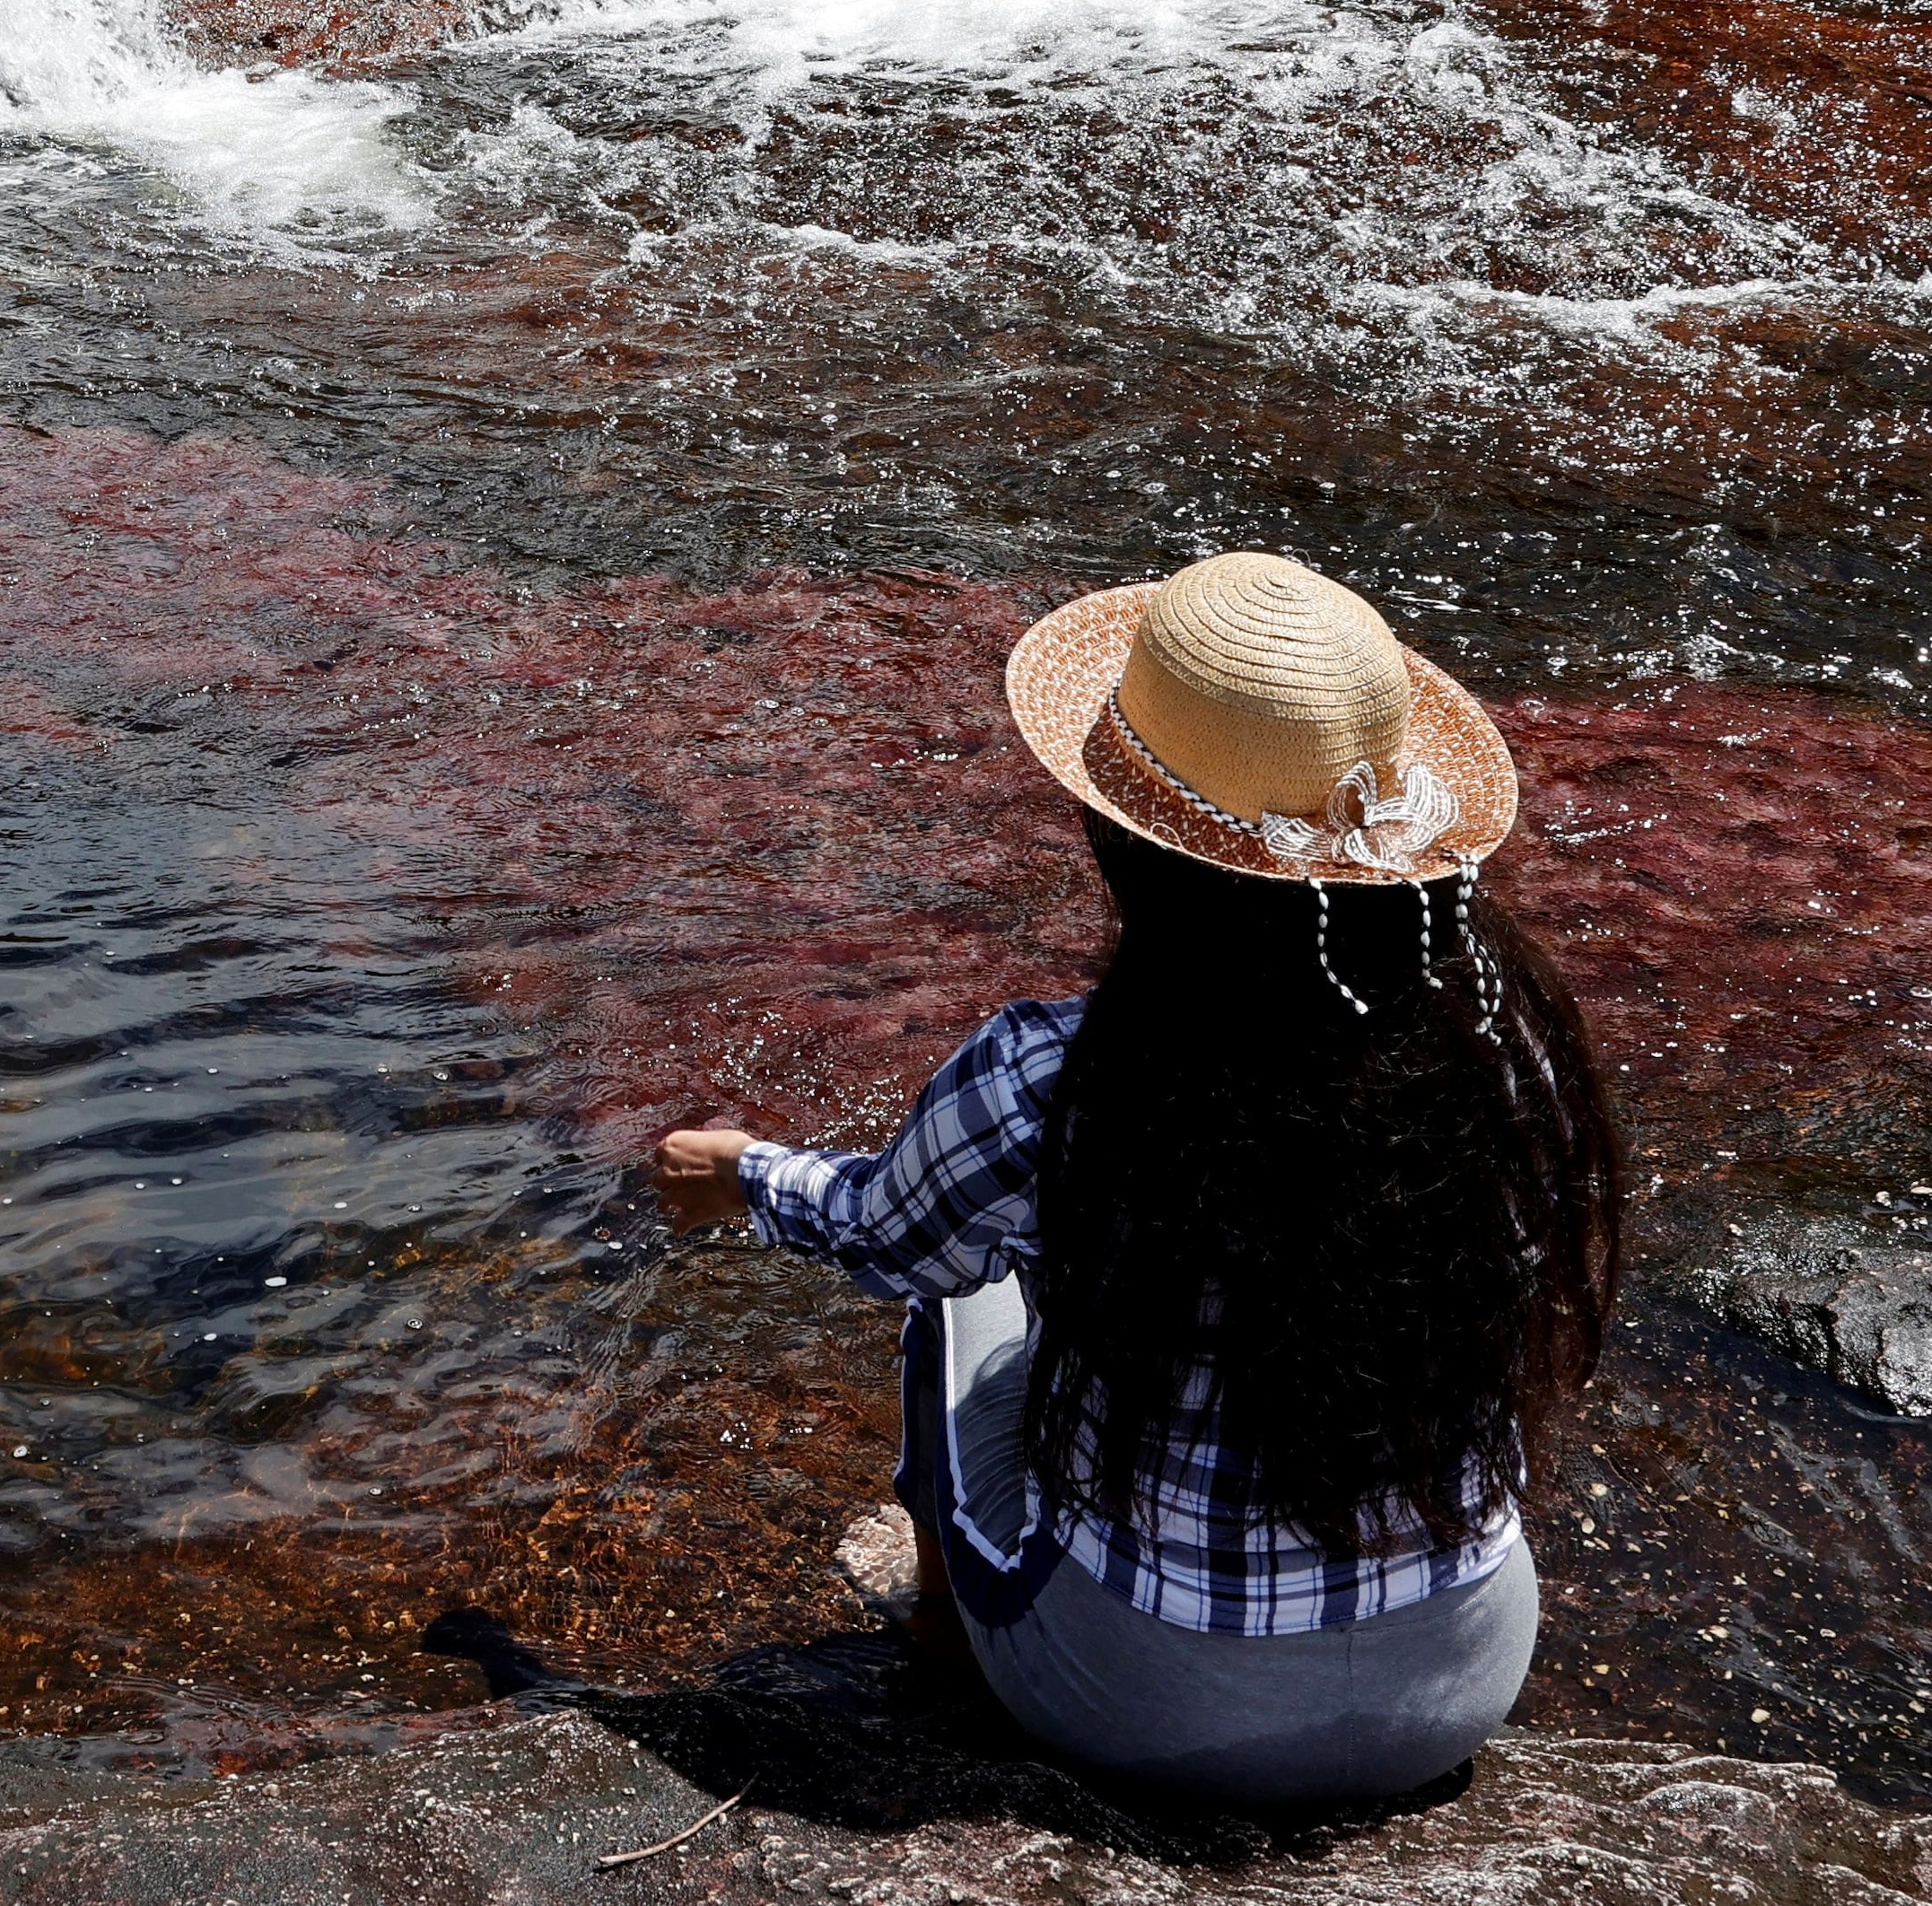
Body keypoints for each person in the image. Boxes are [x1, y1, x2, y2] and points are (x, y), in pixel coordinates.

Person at [651, 551, 1626, 1808]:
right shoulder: (1508, 1039)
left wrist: (743, 1174)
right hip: (1460, 1684)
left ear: (1124, 829)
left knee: (957, 1294)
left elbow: (882, 1236)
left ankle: (951, 1645)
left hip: (1151, 1711)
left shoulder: (1056, 1076)